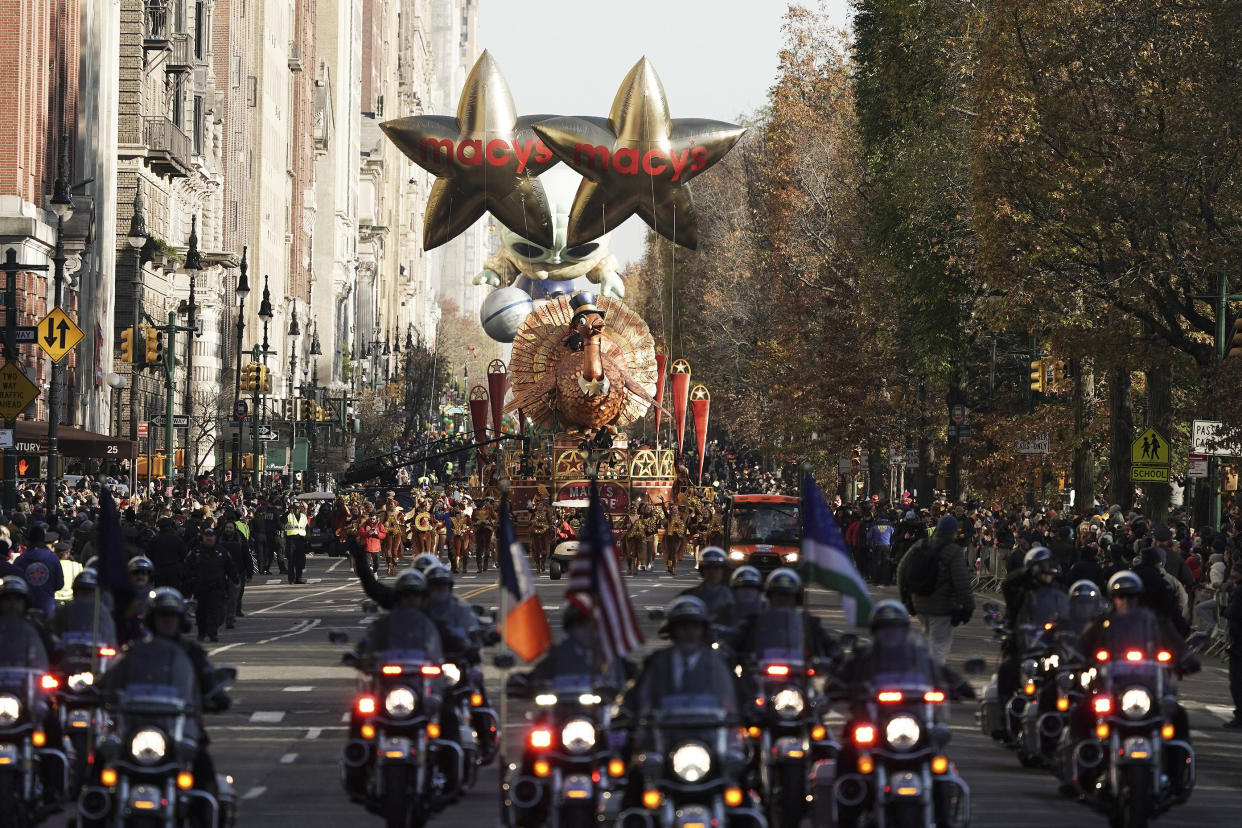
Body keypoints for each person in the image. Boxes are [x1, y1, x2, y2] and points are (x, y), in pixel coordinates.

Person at [897, 514, 974, 662]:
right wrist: (968, 607)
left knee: (928, 642)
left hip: (919, 602)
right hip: (942, 607)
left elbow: (901, 569)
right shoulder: (953, 551)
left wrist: (906, 598)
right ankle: (932, 679)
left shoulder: (921, 545)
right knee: (939, 648)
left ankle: (922, 675)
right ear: (953, 532)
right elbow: (962, 581)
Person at [184, 527, 238, 643]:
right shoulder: (196, 552)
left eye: (211, 535)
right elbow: (187, 568)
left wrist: (235, 580)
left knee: (216, 611)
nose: (209, 538)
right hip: (200, 588)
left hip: (217, 588)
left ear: (215, 537)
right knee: (201, 612)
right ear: (202, 537)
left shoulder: (221, 552)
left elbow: (230, 567)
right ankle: (202, 633)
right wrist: (190, 582)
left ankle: (213, 632)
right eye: (206, 535)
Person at [13, 524, 64, 617]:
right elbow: (59, 584)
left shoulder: (20, 560)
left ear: (29, 540)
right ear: (43, 539)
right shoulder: (53, 559)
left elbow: (15, 584)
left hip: (25, 610)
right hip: (48, 608)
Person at [677, 546, 734, 622]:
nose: (712, 572)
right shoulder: (688, 595)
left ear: (723, 570)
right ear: (702, 570)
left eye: (716, 568)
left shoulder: (736, 595)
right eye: (708, 568)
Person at [218, 520, 252, 627]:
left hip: (237, 572)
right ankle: (223, 615)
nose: (228, 530)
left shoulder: (240, 539)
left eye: (230, 528)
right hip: (221, 573)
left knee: (234, 597)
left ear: (234, 529)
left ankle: (231, 617)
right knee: (223, 596)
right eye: (227, 527)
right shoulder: (219, 539)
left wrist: (249, 572)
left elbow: (246, 556)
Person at [1221, 563, 1242, 729]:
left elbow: (1233, 612)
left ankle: (1240, 715)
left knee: (1236, 680)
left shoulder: (1239, 591)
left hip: (1239, 642)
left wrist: (1225, 610)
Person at [146, 516, 188, 590]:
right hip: (174, 572)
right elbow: (184, 555)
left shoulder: (154, 540)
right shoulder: (177, 540)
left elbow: (149, 555)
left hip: (159, 571)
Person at [284, 501, 310, 584]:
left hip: (301, 541)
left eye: (298, 509)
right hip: (291, 540)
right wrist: (288, 512)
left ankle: (299, 578)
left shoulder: (303, 516)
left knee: (300, 561)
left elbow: (307, 528)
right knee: (291, 560)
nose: (296, 510)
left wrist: (308, 537)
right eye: (295, 509)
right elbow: (281, 520)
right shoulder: (289, 515)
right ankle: (291, 578)